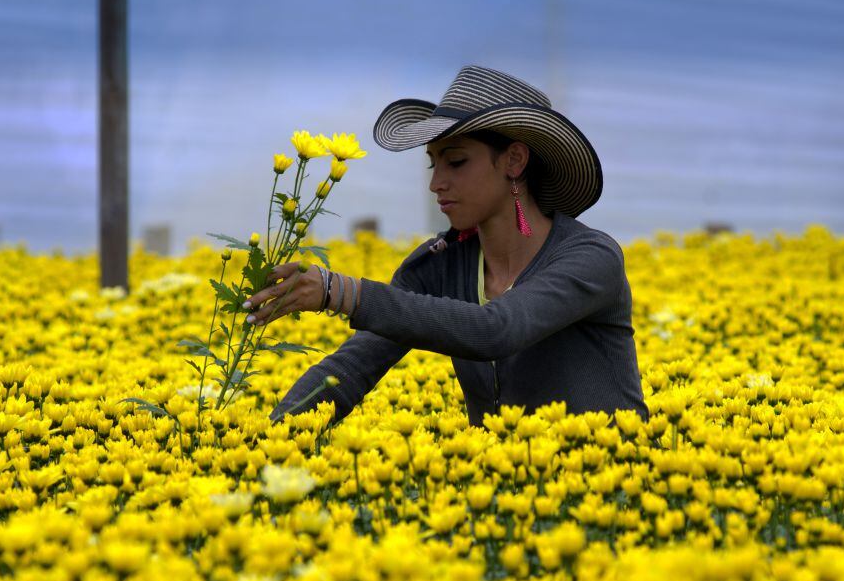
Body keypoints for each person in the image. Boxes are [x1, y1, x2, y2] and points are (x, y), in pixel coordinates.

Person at [245, 65, 648, 428]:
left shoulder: (591, 258)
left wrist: (341, 292)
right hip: (497, 500)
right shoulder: (438, 265)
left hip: (609, 494)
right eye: (432, 164)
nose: (436, 182)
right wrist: (271, 434)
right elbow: (353, 367)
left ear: (514, 162)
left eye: (455, 163)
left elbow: (496, 330)